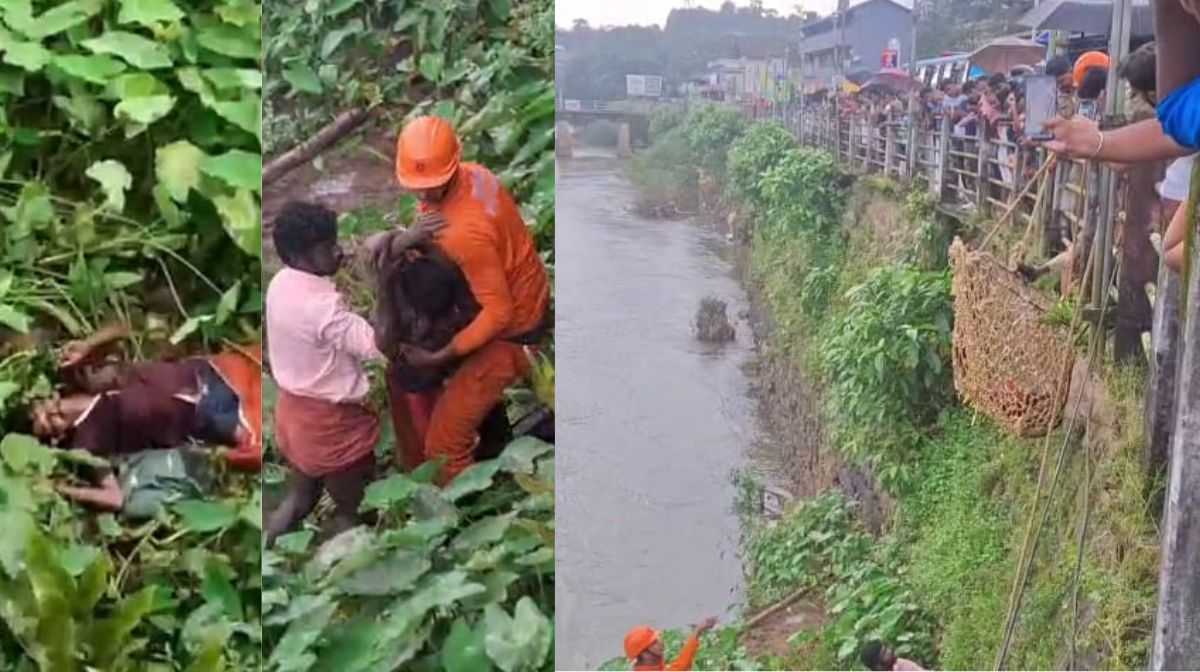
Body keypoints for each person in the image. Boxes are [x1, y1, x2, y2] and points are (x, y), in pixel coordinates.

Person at [374, 116, 551, 485]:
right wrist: (409, 238)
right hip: (527, 293)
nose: (424, 196)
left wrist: (442, 356)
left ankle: (471, 508)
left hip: (512, 331)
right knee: (476, 406)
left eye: (433, 187)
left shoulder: (464, 234)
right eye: (417, 187)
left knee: (442, 445)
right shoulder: (475, 174)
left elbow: (498, 312)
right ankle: (497, 445)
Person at [30, 323, 262, 510]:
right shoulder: (87, 444)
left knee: (271, 364)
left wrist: (88, 344)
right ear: (57, 436)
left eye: (47, 408)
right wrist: (59, 489)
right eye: (51, 422)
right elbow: (115, 498)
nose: (54, 412)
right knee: (267, 438)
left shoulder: (79, 377)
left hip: (208, 372)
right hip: (208, 418)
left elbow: (125, 327)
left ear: (48, 396)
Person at [264, 201, 384, 545]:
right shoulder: (323, 307)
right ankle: (332, 580)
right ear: (301, 255)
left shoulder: (281, 284)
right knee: (356, 513)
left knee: (300, 498)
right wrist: (380, 281)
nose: (339, 251)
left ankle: (267, 556)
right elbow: (380, 346)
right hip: (331, 426)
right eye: (328, 247)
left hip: (295, 416)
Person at [623, 617, 717, 671]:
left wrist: (697, 631)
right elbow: (680, 668)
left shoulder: (651, 666)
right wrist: (697, 631)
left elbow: (678, 667)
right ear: (645, 654)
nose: (661, 642)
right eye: (654, 642)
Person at [861, 640, 927, 671]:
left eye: (886, 649)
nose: (889, 651)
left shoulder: (900, 664)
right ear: (877, 666)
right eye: (884, 653)